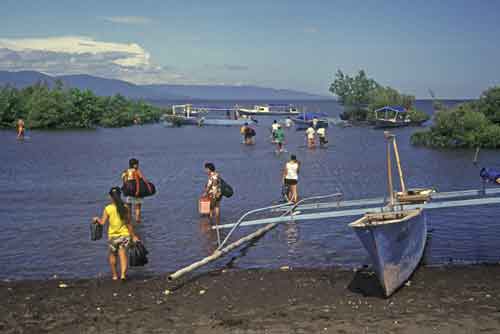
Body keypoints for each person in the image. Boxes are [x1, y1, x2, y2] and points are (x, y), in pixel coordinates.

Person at [93, 187, 140, 281]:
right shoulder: (125, 207)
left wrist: (96, 219)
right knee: (123, 255)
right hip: (124, 235)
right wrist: (134, 236)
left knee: (113, 255)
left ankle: (114, 275)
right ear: (120, 195)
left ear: (110, 197)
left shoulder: (108, 208)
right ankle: (123, 275)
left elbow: (102, 223)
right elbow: (128, 223)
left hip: (113, 236)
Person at [121, 158, 146, 224]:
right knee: (138, 207)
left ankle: (129, 221)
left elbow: (124, 181)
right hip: (136, 191)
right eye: (137, 164)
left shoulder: (126, 171)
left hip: (128, 191)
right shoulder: (137, 171)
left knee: (129, 206)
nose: (138, 165)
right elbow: (141, 180)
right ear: (134, 165)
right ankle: (137, 220)